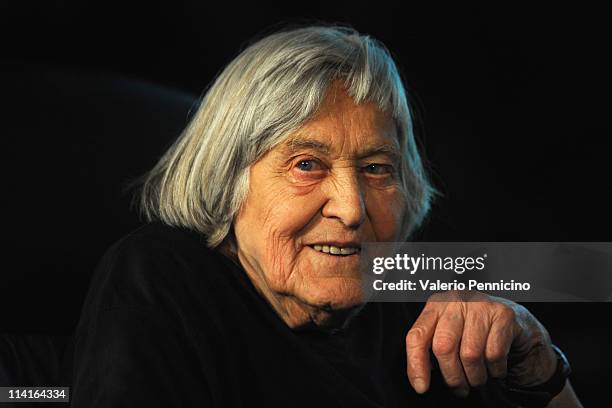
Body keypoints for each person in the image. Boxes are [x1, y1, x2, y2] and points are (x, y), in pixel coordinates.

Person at [69, 25, 583, 407]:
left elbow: (577, 273)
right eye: (307, 165)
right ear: (230, 179)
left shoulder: (422, 286)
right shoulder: (163, 276)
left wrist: (539, 365)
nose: (352, 207)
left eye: (377, 168)